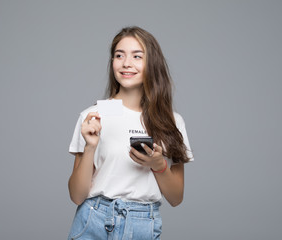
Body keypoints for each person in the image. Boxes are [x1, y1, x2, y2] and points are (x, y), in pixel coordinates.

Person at [67, 26, 194, 240]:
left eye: (137, 56)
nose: (126, 63)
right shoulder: (94, 115)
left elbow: (176, 198)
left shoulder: (172, 122)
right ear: (112, 62)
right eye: (119, 55)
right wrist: (90, 147)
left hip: (142, 225)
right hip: (93, 220)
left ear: (152, 63)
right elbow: (77, 195)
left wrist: (158, 165)